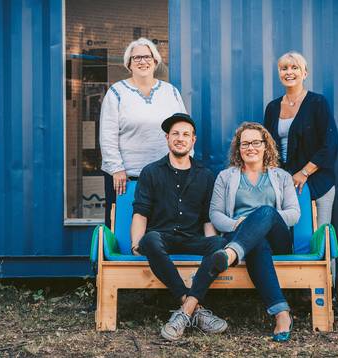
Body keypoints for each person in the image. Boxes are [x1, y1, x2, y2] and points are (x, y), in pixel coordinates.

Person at [131, 113, 228, 341]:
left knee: (221, 243)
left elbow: (207, 219)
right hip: (162, 240)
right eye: (175, 134)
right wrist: (136, 242)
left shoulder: (205, 175)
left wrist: (212, 246)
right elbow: (140, 212)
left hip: (191, 239)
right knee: (149, 240)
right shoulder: (151, 172)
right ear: (167, 138)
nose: (180, 138)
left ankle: (186, 309)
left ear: (193, 140)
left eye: (186, 134)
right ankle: (195, 308)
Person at [209, 122, 300, 342]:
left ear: (266, 146)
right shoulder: (225, 177)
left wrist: (264, 219)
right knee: (256, 242)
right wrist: (235, 225)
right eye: (245, 143)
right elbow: (215, 214)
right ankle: (281, 313)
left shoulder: (282, 177)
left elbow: (294, 213)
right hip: (241, 235)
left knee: (266, 212)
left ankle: (230, 254)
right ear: (238, 149)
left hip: (277, 237)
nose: (251, 147)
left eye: (256, 142)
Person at [99, 38, 186, 227]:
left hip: (165, 174)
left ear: (155, 61)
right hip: (126, 177)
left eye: (147, 56)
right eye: (136, 57)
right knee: (122, 227)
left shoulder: (170, 92)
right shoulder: (116, 92)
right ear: (128, 63)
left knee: (161, 226)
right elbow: (107, 134)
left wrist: (184, 165)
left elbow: (184, 130)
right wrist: (116, 169)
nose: (142, 61)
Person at [264, 51, 338, 227]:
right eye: (284, 68)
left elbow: (330, 145)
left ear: (305, 73)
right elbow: (266, 147)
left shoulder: (318, 103)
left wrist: (304, 173)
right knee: (289, 240)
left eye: (294, 67)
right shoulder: (272, 108)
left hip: (318, 181)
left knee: (321, 240)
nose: (288, 72)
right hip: (284, 184)